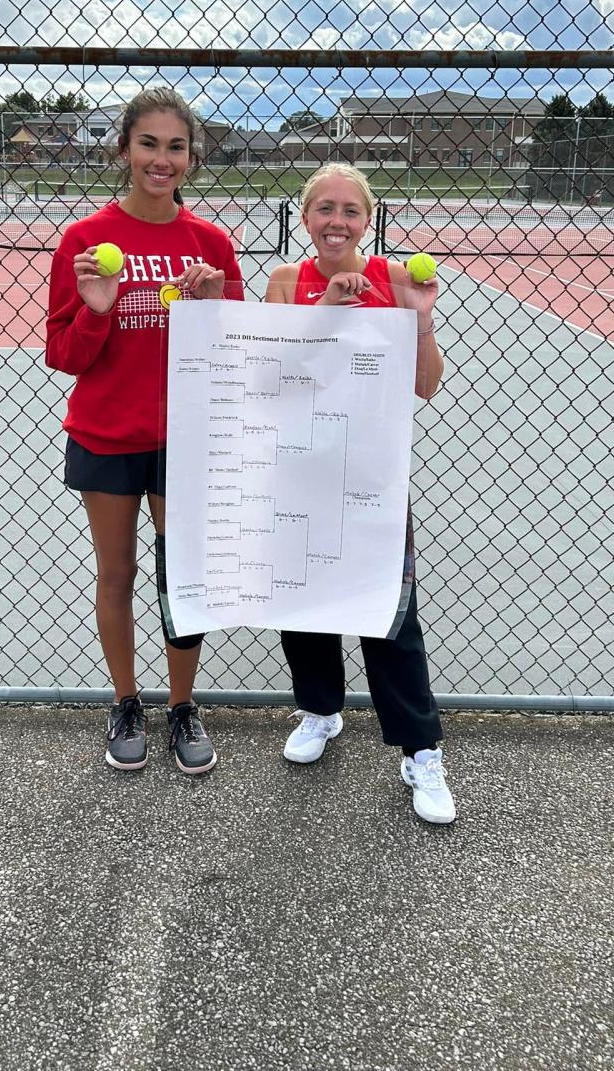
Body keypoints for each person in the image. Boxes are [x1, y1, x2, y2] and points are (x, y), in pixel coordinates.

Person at [46, 87, 244, 775]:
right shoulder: (84, 241)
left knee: (181, 576)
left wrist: (214, 305)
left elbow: (237, 354)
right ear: (125, 149)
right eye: (149, 144)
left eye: (176, 146)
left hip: (184, 441)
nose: (162, 159)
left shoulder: (211, 243)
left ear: (192, 156)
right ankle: (126, 701)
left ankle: (182, 706)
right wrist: (98, 308)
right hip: (105, 435)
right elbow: (64, 355)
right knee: (117, 573)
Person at [264, 163, 455, 824]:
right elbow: (274, 380)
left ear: (366, 221)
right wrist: (320, 314)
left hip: (372, 476)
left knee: (391, 615)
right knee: (306, 600)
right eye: (325, 209)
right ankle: (320, 710)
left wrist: (419, 320)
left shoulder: (395, 279)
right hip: (302, 469)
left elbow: (425, 384)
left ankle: (420, 749)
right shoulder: (286, 282)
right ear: (306, 217)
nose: (337, 221)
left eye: (350, 210)